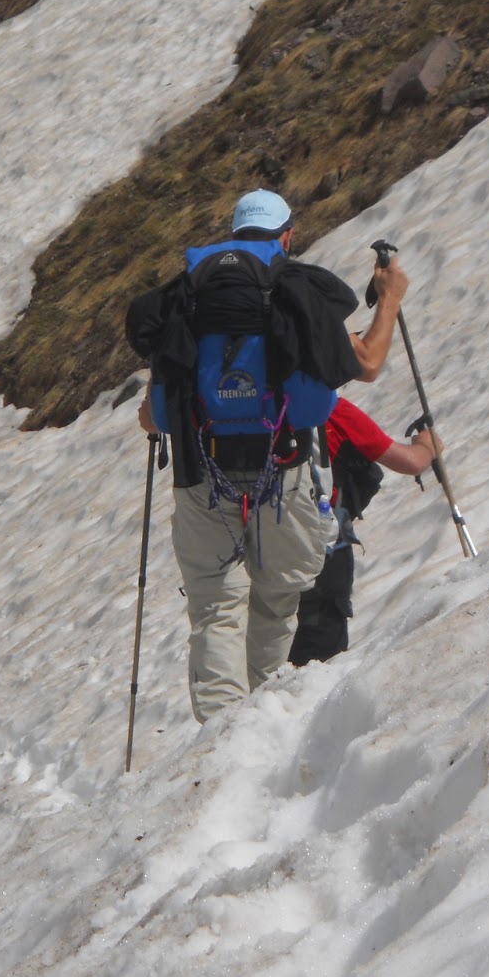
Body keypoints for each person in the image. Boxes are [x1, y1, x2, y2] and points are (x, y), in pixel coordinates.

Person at [125, 189, 424, 722]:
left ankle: (217, 740)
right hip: (282, 476)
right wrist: (392, 296)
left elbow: (155, 415)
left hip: (202, 480)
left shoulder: (190, 297)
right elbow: (368, 363)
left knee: (217, 612)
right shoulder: (295, 293)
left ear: (235, 233)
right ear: (287, 236)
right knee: (276, 602)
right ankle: (262, 724)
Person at [288, 395, 436, 666]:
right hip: (321, 547)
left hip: (251, 549)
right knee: (318, 653)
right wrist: (427, 445)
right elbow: (410, 462)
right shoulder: (327, 408)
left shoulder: (230, 407)